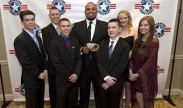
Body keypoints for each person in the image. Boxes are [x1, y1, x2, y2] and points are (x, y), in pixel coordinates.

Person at [70, 2, 109, 108]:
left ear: (97, 11)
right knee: (83, 94)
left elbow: (109, 42)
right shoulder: (77, 26)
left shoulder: (105, 25)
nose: (90, 11)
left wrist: (100, 49)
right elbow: (72, 43)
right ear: (85, 11)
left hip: (99, 67)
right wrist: (81, 49)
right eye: (88, 9)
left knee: (100, 94)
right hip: (83, 67)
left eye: (93, 9)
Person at [14, 10, 47, 108]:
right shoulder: (19, 40)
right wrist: (39, 74)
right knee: (32, 104)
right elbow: (25, 62)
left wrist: (45, 70)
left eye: (32, 19)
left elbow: (43, 56)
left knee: (39, 103)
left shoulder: (38, 37)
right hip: (31, 79)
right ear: (22, 22)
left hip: (41, 77)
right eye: (27, 20)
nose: (31, 22)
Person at [97, 18, 130, 108]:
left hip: (116, 83)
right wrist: (106, 78)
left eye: (114, 27)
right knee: (104, 105)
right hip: (103, 82)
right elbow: (99, 63)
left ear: (119, 29)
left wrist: (110, 81)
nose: (111, 30)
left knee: (114, 105)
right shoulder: (102, 44)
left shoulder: (125, 45)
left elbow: (122, 65)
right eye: (109, 28)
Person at [49, 18, 81, 108]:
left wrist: (76, 74)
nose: (66, 28)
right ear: (59, 28)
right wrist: (69, 76)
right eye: (63, 26)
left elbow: (79, 59)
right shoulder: (54, 42)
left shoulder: (75, 41)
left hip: (74, 80)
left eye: (68, 26)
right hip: (62, 81)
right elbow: (56, 63)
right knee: (61, 104)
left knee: (73, 104)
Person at [129, 16, 159, 108]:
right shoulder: (138, 40)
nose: (143, 27)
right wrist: (130, 71)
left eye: (146, 25)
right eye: (141, 25)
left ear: (151, 26)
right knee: (138, 96)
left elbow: (151, 61)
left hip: (146, 74)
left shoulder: (154, 42)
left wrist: (137, 74)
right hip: (135, 72)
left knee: (143, 97)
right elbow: (132, 57)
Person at [117, 10, 138, 108]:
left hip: (130, 62)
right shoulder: (117, 30)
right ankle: (120, 104)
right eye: (121, 18)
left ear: (129, 18)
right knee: (119, 86)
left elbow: (136, 46)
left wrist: (129, 55)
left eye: (125, 18)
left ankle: (127, 106)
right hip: (118, 62)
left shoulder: (134, 30)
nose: (123, 20)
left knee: (128, 86)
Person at [41, 6, 61, 108]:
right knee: (54, 92)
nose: (55, 16)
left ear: (60, 15)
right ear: (49, 16)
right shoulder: (46, 30)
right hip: (54, 67)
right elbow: (49, 50)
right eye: (53, 14)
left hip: (68, 68)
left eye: (57, 14)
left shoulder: (65, 27)